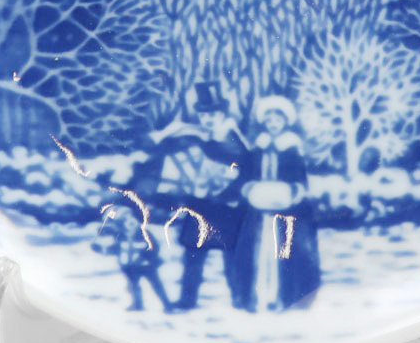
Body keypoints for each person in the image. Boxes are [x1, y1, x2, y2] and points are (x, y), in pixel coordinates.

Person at [151, 81, 248, 310]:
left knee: (231, 254)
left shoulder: (232, 136)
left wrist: (229, 192)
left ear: (223, 114)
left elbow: (245, 168)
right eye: (204, 115)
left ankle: (240, 298)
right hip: (200, 206)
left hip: (227, 206)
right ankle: (187, 300)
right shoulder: (198, 137)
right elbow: (167, 149)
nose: (208, 119)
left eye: (213, 114)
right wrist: (173, 129)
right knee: (193, 253)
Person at [230, 96, 321, 312]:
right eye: (269, 120)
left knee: (286, 250)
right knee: (255, 251)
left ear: (285, 122)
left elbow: (300, 179)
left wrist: (293, 192)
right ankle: (253, 297)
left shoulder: (292, 149)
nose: (273, 124)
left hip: (286, 209)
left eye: (277, 120)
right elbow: (246, 174)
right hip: (258, 211)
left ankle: (285, 296)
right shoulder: (257, 149)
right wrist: (248, 188)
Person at [92, 194, 174, 313]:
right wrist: (101, 249)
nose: (128, 223)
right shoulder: (121, 235)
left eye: (129, 220)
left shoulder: (143, 232)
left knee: (156, 284)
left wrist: (148, 256)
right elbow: (116, 249)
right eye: (123, 222)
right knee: (133, 286)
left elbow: (155, 246)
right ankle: (137, 304)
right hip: (130, 265)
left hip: (146, 264)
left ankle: (167, 305)